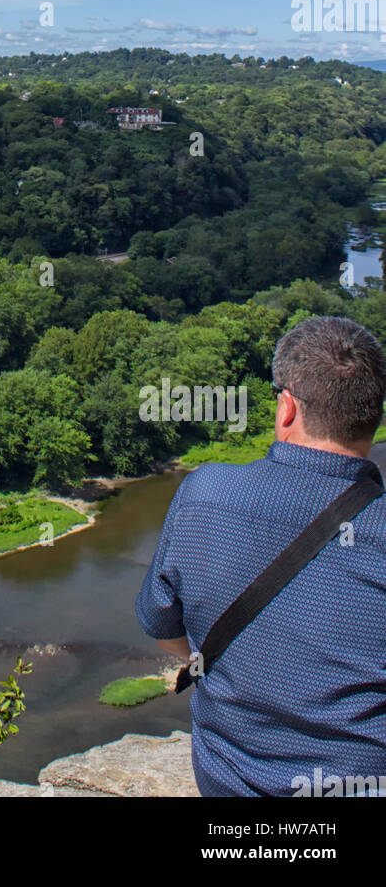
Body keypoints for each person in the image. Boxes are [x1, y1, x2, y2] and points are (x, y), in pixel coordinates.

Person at [136, 315, 386, 796]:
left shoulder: (204, 495)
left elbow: (163, 627)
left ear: (286, 409)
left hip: (228, 787)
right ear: (372, 415)